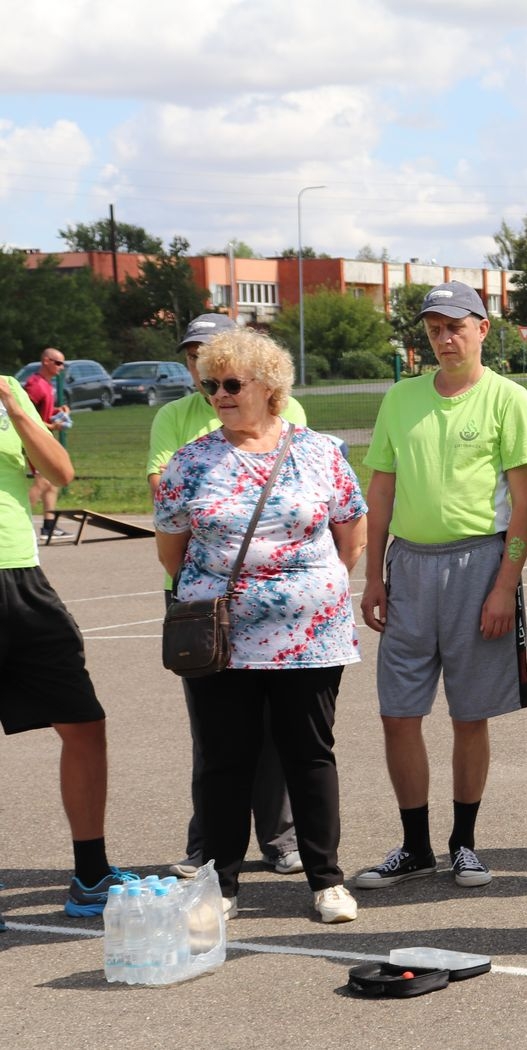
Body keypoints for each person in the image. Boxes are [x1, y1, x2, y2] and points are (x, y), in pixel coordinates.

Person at [153, 329, 366, 922]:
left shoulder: (321, 451)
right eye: (209, 384)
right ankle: (220, 885)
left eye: (230, 384)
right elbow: (172, 552)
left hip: (310, 633)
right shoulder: (191, 462)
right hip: (220, 636)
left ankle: (326, 880)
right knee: (225, 758)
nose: (217, 393)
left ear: (269, 388)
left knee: (310, 753)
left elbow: (352, 534)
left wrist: (302, 590)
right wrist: (233, 590)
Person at [355, 281, 527, 893]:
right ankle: (415, 845)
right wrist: (374, 574)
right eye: (434, 327)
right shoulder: (401, 399)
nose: (444, 337)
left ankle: (464, 842)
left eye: (456, 325)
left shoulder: (508, 399)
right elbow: (379, 493)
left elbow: (526, 504)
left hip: (477, 565)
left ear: (483, 328)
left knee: (470, 714)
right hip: (408, 567)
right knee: (398, 713)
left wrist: (503, 585)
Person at [147, 313, 309, 881]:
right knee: (215, 735)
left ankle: (281, 839)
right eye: (196, 359)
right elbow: (164, 498)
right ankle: (208, 846)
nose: (208, 377)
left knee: (276, 730)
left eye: (218, 365)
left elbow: (304, 501)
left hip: (278, 600)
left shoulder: (282, 411)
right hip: (200, 598)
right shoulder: (174, 416)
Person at [0, 369, 137, 916]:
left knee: (83, 721)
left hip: (22, 579)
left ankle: (90, 875)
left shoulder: (10, 388)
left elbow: (61, 470)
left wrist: (13, 405)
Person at [23, 348, 72, 542]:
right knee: (43, 481)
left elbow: (44, 412)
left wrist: (59, 411)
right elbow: (24, 415)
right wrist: (52, 425)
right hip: (35, 440)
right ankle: (18, 520)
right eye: (58, 363)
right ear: (46, 361)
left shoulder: (46, 384)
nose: (61, 368)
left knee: (52, 482)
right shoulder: (34, 385)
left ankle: (49, 527)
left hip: (44, 438)